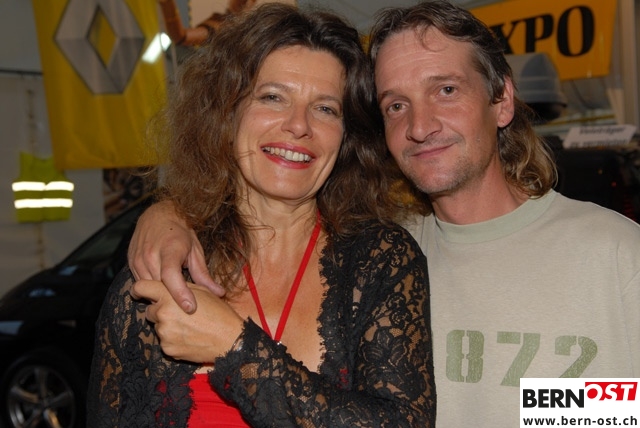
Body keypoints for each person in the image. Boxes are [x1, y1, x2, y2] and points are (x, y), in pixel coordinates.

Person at [128, 0, 640, 427]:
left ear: (502, 99)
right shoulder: (381, 253)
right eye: (396, 105)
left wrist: (570, 407)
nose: (420, 125)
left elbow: (619, 410)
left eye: (446, 90)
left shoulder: (614, 253)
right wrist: (170, 213)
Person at [87, 3, 436, 427]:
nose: (298, 125)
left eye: (325, 108)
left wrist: (233, 346)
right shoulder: (161, 272)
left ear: (347, 136)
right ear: (226, 114)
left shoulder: (382, 260)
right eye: (273, 97)